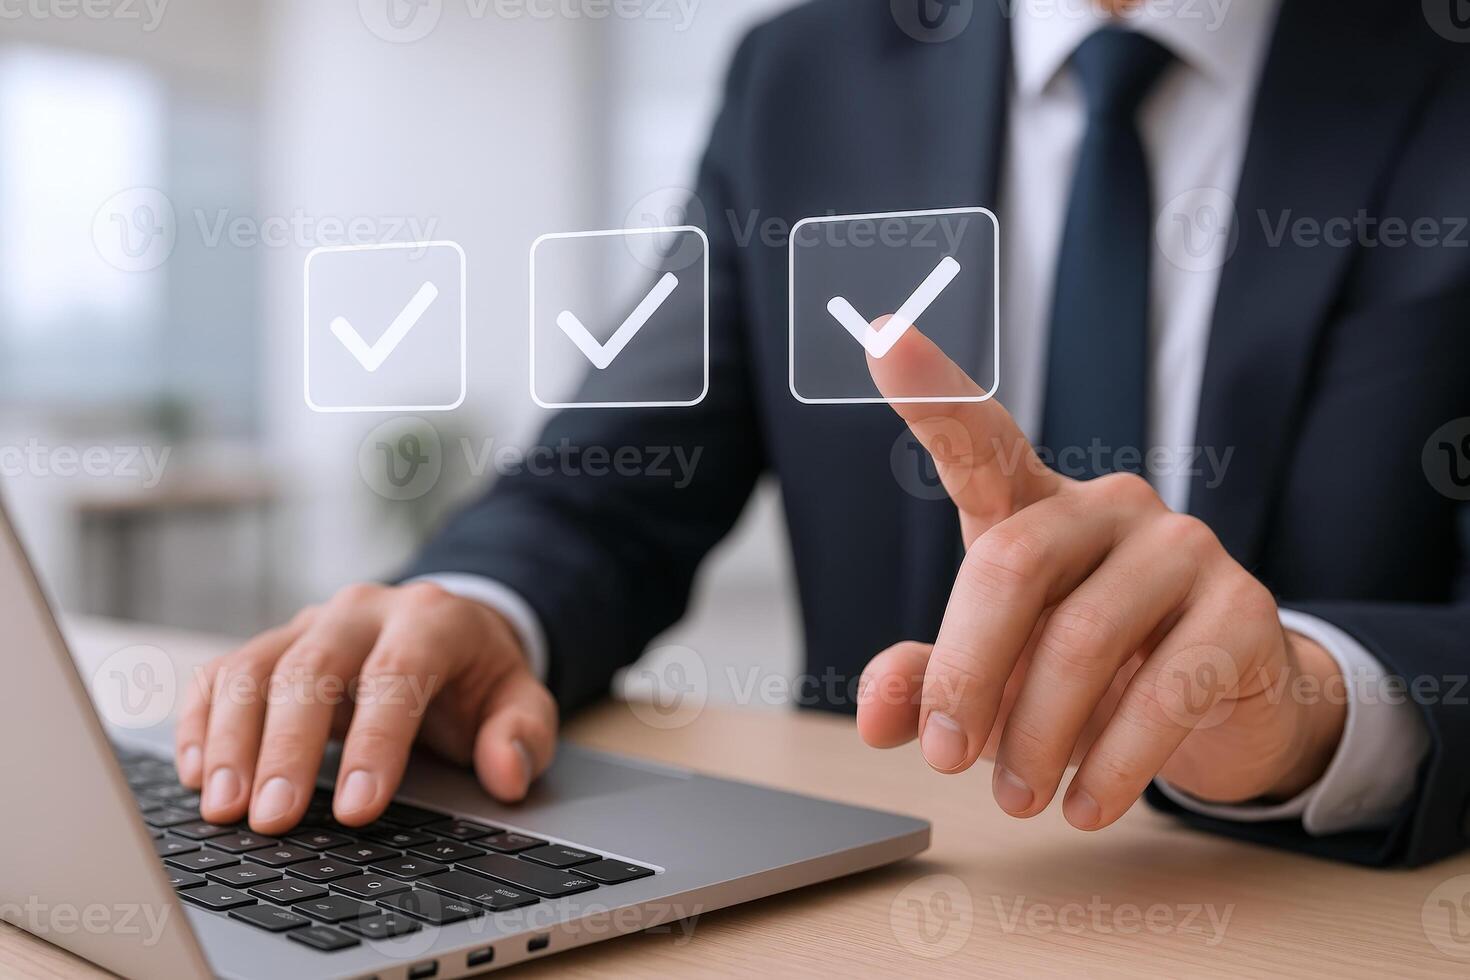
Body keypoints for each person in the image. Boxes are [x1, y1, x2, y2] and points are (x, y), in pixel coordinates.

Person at [176, 0, 1470, 867]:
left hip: (1311, 897)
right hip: (889, 895)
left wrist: (1313, 706)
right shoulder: (806, 75)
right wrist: (476, 604)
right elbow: (610, 473)